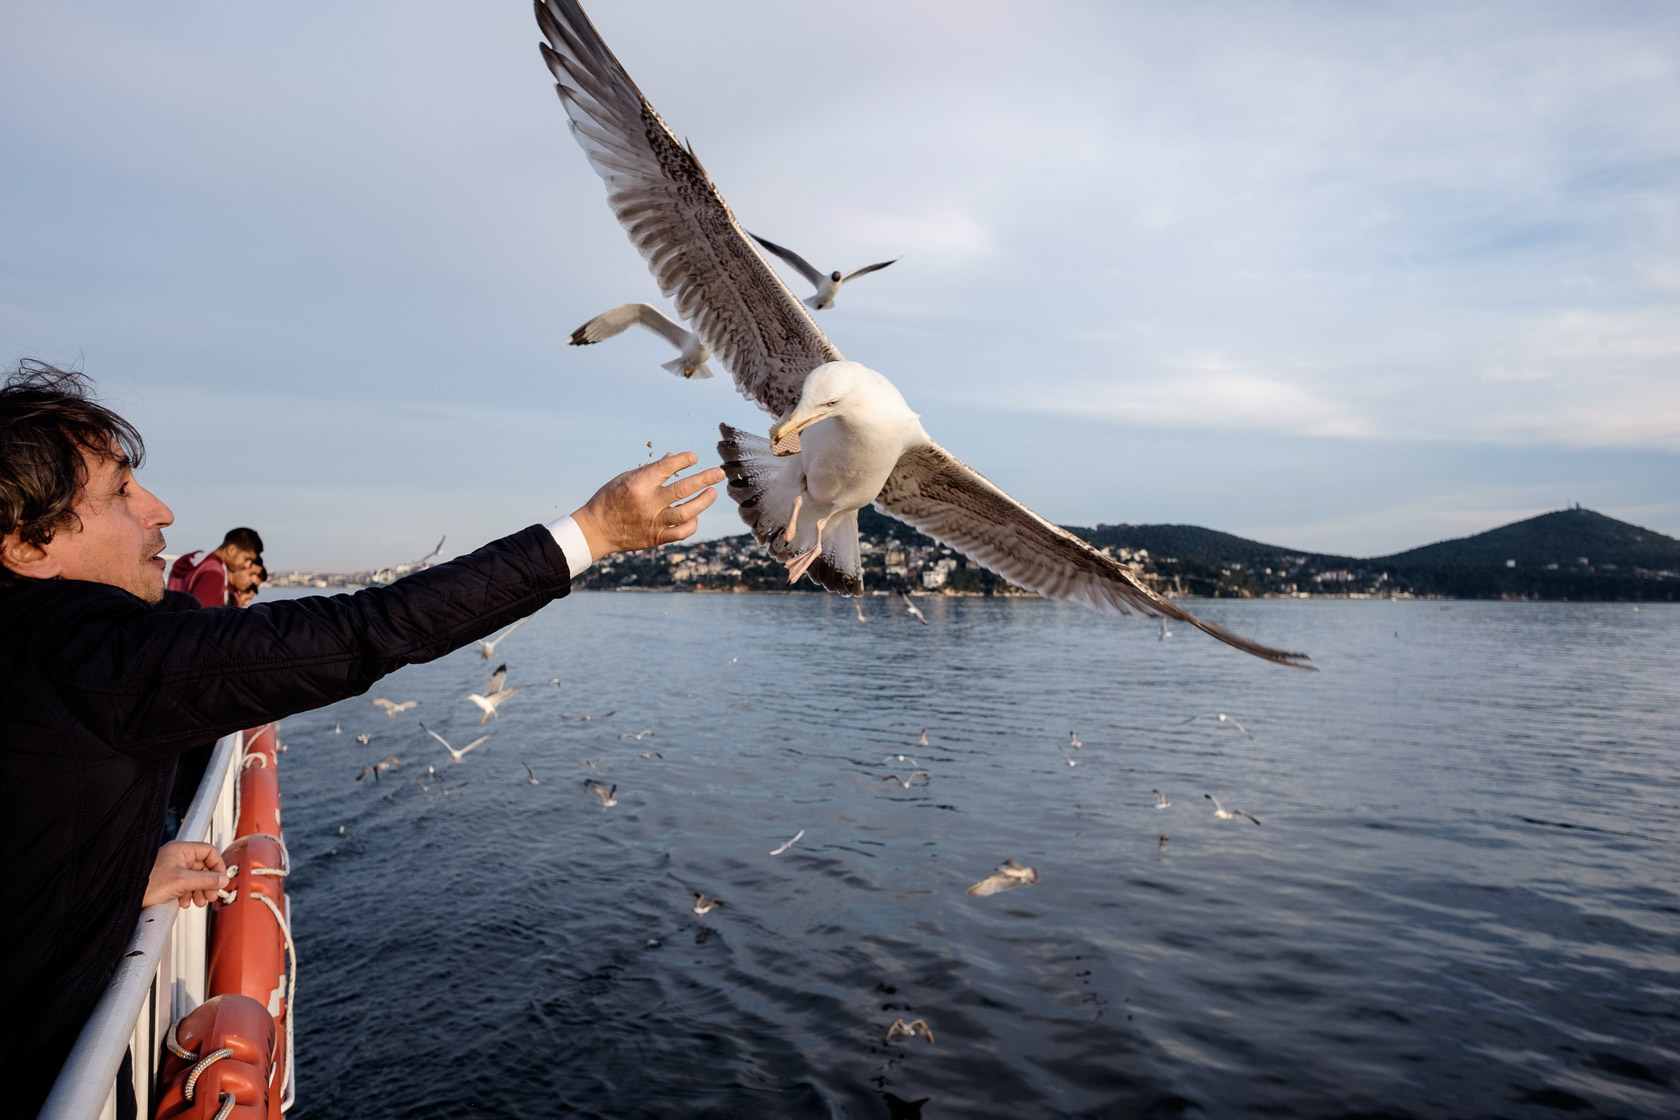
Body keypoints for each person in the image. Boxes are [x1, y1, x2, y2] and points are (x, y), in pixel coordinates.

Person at [0, 361, 724, 1114]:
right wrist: (593, 532)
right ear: (26, 545)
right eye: (121, 491)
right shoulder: (81, 653)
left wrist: (113, 886)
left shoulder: (34, 649)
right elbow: (361, 633)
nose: (161, 510)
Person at [169, 526, 263, 608]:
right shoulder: (214, 573)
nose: (247, 565)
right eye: (247, 559)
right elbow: (203, 619)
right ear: (231, 550)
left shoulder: (198, 561)